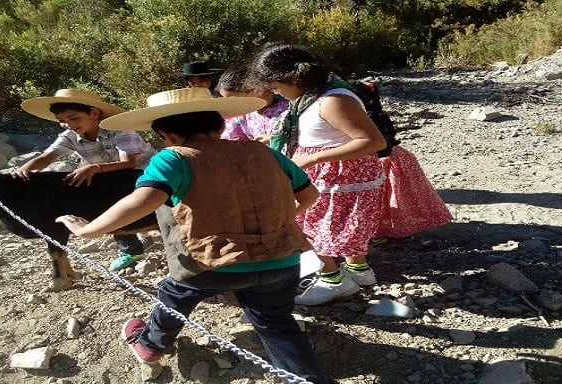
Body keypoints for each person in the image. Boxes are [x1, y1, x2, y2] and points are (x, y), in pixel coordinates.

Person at [55, 87, 333, 384]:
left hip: (211, 265)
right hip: (281, 260)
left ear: (165, 134)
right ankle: (307, 379)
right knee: (276, 322)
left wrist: (88, 230)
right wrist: (280, 221)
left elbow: (143, 200)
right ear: (221, 125)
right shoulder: (265, 152)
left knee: (174, 294)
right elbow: (310, 195)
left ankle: (150, 346)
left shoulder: (173, 158)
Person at [250, 44, 388, 306]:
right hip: (336, 176)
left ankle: (332, 280)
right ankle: (359, 271)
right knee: (333, 227)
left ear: (292, 78)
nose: (275, 92)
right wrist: (273, 138)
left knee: (299, 225)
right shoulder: (315, 96)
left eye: (275, 86)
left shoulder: (333, 100)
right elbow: (323, 131)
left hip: (339, 178)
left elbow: (373, 141)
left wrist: (312, 158)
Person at [15, 88, 156, 272]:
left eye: (74, 118)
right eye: (62, 121)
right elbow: (46, 158)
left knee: (151, 210)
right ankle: (131, 250)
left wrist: (95, 168)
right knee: (109, 207)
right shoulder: (70, 137)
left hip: (145, 175)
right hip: (110, 179)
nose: (68, 125)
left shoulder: (120, 130)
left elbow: (129, 163)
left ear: (94, 113)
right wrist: (22, 172)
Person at [350, 81, 453, 242]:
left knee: (382, 198)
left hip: (381, 161)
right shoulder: (377, 113)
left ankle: (381, 230)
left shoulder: (366, 117)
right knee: (397, 197)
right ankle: (391, 229)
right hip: (394, 157)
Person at [217, 65, 289, 144]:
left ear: (254, 88)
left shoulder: (289, 106)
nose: (232, 104)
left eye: (236, 100)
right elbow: (228, 138)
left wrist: (274, 138)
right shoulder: (241, 115)